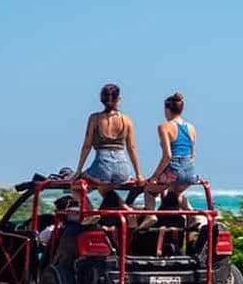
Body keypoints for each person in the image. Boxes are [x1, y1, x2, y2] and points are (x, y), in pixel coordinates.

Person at [73, 83, 144, 207]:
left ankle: (91, 212)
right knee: (105, 189)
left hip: (102, 167)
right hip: (122, 170)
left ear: (102, 99)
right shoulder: (127, 120)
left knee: (76, 186)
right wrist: (138, 174)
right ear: (118, 99)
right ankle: (127, 211)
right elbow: (132, 148)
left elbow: (87, 146)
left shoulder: (94, 118)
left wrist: (78, 170)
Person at [141, 92, 198, 228]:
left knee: (149, 191)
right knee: (175, 193)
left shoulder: (164, 126)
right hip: (190, 172)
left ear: (167, 109)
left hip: (174, 170)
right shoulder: (191, 127)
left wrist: (154, 177)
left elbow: (167, 156)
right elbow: (192, 154)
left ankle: (150, 215)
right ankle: (192, 215)